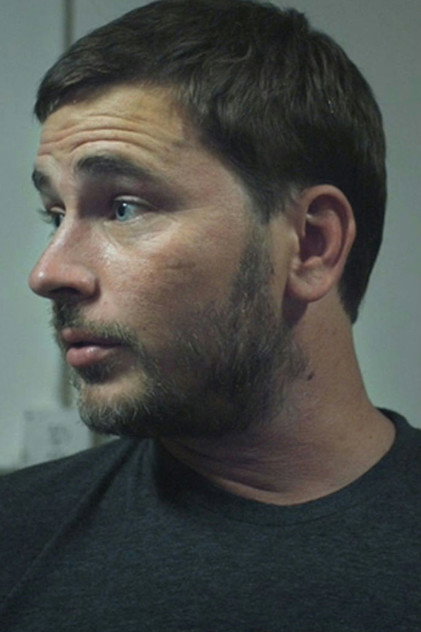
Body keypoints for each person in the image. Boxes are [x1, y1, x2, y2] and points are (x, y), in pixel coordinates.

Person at [1, 0, 419, 629]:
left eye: (123, 207)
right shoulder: (15, 538)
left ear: (311, 245)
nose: (48, 273)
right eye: (56, 215)